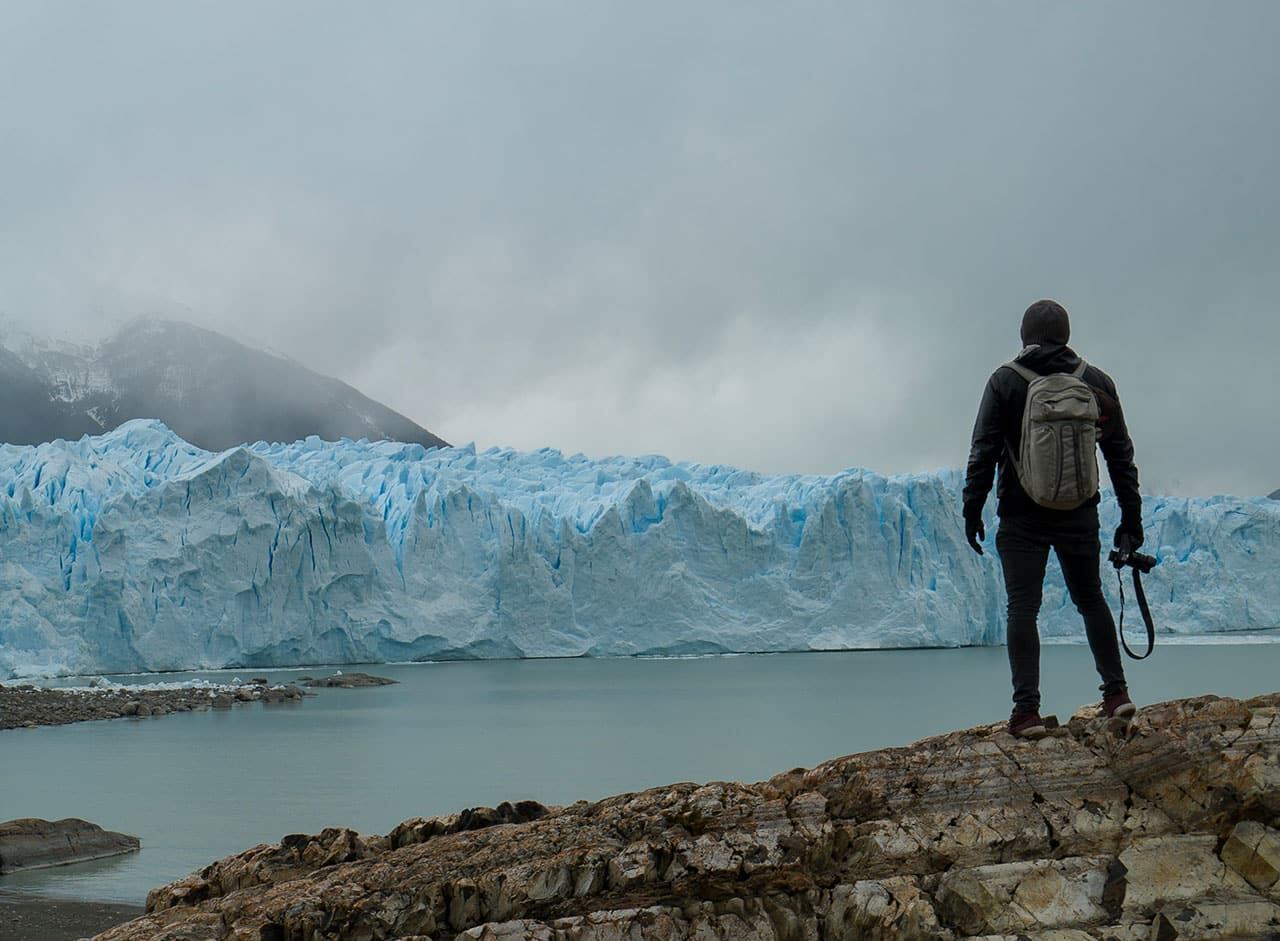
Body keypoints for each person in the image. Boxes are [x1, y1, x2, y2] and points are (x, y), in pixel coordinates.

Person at [963, 299, 1144, 738]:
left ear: (1025, 336)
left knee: (1022, 608)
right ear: (1066, 334)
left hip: (1022, 515)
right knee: (1091, 599)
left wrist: (972, 506)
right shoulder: (1096, 382)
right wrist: (1131, 517)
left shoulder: (1005, 381)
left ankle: (1026, 713)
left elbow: (984, 448)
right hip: (1079, 514)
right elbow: (1120, 454)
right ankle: (1116, 694)